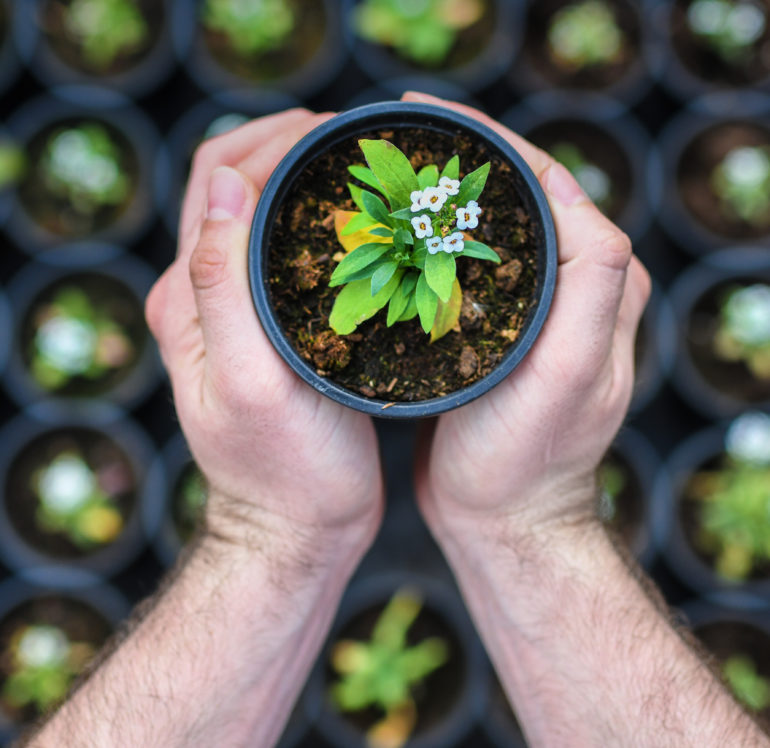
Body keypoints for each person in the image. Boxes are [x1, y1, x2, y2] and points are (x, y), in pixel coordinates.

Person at [22, 93, 769, 748]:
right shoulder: (385, 229)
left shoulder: (449, 238)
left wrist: (274, 532)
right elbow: (359, 282)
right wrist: (524, 523)